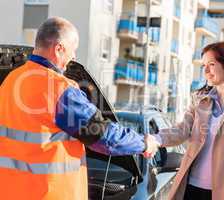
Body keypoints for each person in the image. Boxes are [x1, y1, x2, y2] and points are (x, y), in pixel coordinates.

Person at [0, 17, 159, 200]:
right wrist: (144, 143)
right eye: (73, 49)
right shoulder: (58, 89)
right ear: (59, 48)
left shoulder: (10, 82)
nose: (74, 56)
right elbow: (103, 136)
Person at [154, 42, 224, 200]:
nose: (206, 70)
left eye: (211, 64)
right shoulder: (200, 99)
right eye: (204, 66)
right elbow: (181, 130)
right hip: (191, 187)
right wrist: (155, 139)